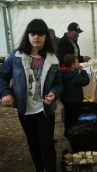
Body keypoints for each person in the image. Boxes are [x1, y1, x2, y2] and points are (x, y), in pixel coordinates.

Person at [0, 19, 63, 172]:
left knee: (47, 143)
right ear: (27, 35)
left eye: (41, 34)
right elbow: (2, 76)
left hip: (45, 109)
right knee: (33, 143)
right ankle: (39, 169)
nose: (36, 37)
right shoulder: (16, 56)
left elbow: (58, 83)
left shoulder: (53, 59)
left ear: (46, 37)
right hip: (24, 109)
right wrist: (5, 93)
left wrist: (53, 93)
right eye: (33, 33)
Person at [60, 54, 90, 135]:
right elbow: (85, 81)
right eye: (77, 62)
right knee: (75, 118)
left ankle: (67, 132)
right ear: (72, 65)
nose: (79, 63)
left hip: (66, 99)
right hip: (75, 100)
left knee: (67, 117)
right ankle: (74, 133)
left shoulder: (61, 72)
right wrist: (83, 71)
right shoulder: (74, 75)